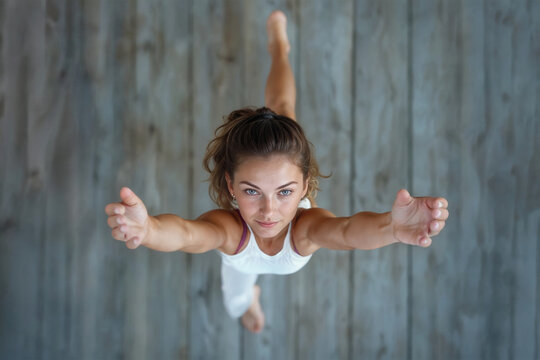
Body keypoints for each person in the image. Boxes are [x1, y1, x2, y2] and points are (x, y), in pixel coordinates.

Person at [104, 10, 449, 334]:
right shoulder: (230, 230)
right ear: (231, 186)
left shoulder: (305, 229)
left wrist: (390, 226)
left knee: (284, 109)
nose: (269, 211)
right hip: (240, 265)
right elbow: (186, 234)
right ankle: (248, 302)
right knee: (235, 302)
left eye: (284, 191)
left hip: (284, 220)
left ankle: (279, 48)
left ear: (305, 187)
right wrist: (148, 229)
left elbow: (346, 232)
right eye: (252, 191)